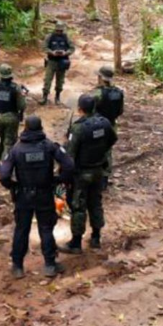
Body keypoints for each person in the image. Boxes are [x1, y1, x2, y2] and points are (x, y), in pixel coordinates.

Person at [0, 116, 74, 279]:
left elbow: (4, 174)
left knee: (21, 229)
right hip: (45, 194)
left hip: (24, 195)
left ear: (25, 128)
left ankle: (17, 266)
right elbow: (69, 165)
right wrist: (59, 180)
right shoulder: (49, 146)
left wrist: (13, 186)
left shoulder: (16, 149)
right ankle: (50, 264)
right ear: (40, 128)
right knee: (46, 229)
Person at [59, 94, 117, 254]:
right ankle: (96, 238)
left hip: (81, 173)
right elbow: (112, 140)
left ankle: (76, 243)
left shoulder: (78, 128)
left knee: (78, 206)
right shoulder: (104, 123)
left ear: (80, 109)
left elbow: (69, 155)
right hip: (99, 170)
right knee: (95, 203)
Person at [91, 66, 124, 186]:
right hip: (111, 125)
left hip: (97, 126)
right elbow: (120, 111)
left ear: (101, 78)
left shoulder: (97, 93)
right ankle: (105, 177)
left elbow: (90, 110)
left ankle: (94, 177)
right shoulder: (119, 92)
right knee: (107, 151)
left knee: (94, 149)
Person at [0, 63, 26, 170]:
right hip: (11, 117)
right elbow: (21, 105)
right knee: (9, 142)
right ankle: (6, 163)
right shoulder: (16, 88)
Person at [40, 21, 75, 106]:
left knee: (60, 81)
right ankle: (44, 97)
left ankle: (57, 97)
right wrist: (51, 52)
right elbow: (44, 47)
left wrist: (65, 53)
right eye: (57, 30)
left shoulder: (66, 37)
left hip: (62, 61)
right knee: (47, 80)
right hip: (51, 61)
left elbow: (72, 48)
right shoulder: (50, 37)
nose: (59, 32)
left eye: (60, 30)